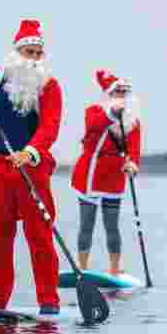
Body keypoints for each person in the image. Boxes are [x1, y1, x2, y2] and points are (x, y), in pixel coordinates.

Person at [0, 19, 63, 314]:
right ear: (16, 52)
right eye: (27, 52)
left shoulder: (50, 86)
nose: (32, 58)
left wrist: (30, 152)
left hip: (33, 170)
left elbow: (50, 126)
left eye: (36, 54)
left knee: (40, 237)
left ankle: (49, 302)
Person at [70, 70, 142, 274]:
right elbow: (93, 126)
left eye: (123, 93)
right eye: (116, 92)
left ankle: (114, 270)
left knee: (112, 227)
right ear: (107, 95)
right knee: (87, 224)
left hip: (114, 177)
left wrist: (133, 164)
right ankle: (82, 269)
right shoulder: (93, 111)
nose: (120, 96)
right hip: (89, 176)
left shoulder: (132, 121)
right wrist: (111, 115)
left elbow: (134, 148)